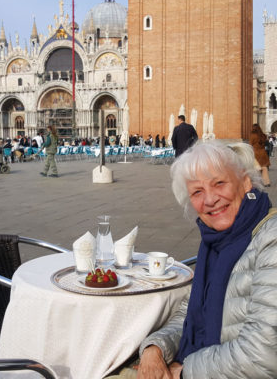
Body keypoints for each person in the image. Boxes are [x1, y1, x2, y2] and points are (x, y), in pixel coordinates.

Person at [108, 141, 277, 379]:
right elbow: (188, 314)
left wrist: (186, 371)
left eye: (219, 183)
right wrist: (155, 349)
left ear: (246, 182)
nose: (210, 200)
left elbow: (264, 354)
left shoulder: (271, 238)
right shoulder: (215, 242)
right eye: (197, 192)